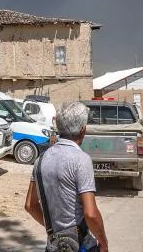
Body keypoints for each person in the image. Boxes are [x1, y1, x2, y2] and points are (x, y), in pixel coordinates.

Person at [26, 101, 111, 252]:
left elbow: (30, 205)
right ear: (83, 129)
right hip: (81, 245)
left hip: (54, 246)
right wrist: (103, 242)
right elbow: (90, 214)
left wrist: (54, 230)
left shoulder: (40, 160)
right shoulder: (81, 160)